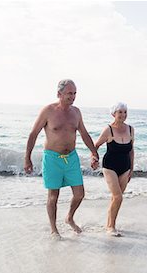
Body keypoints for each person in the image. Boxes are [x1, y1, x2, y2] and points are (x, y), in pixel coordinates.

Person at [24, 79, 99, 239]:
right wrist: (27, 158)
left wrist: (94, 152)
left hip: (71, 158)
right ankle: (53, 229)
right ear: (59, 94)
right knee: (53, 196)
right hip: (52, 158)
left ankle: (69, 218)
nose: (72, 97)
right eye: (69, 93)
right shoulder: (48, 111)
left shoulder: (76, 112)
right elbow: (33, 134)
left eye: (74, 93)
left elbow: (84, 134)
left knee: (79, 194)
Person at [94, 102, 134, 237]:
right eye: (120, 112)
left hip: (125, 167)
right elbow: (96, 145)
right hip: (110, 166)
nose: (123, 115)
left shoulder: (130, 129)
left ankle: (110, 224)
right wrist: (94, 158)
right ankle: (111, 227)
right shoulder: (108, 130)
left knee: (116, 198)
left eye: (125, 112)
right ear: (113, 114)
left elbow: (131, 150)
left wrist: (132, 168)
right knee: (118, 197)